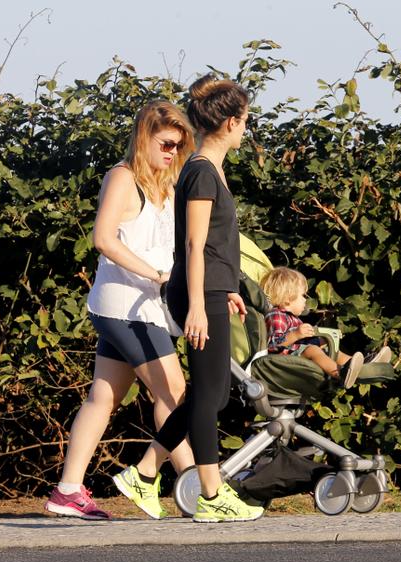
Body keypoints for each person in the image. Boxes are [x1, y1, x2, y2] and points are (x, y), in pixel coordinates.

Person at [45, 100, 196, 520]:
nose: (171, 153)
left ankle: (67, 492)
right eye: (165, 144)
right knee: (175, 395)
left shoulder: (166, 181)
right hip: (126, 307)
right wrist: (156, 276)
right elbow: (103, 239)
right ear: (144, 136)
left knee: (103, 397)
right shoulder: (122, 177)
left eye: (177, 147)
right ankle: (197, 489)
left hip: (143, 307)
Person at [160, 74, 264, 522]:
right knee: (206, 396)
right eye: (244, 120)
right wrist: (201, 305)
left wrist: (229, 291)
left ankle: (144, 472)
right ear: (228, 122)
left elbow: (218, 247)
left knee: (216, 392)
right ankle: (211, 493)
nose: (246, 128)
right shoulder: (201, 170)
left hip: (213, 291)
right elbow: (195, 245)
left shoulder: (210, 168)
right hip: (198, 294)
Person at [259, 266, 374, 389]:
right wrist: (296, 334)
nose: (306, 300)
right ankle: (341, 373)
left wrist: (323, 340)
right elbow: (273, 345)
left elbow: (303, 343)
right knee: (312, 350)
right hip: (282, 361)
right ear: (287, 299)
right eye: (303, 295)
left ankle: (364, 369)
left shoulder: (293, 319)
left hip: (297, 353)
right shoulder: (276, 315)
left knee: (332, 350)